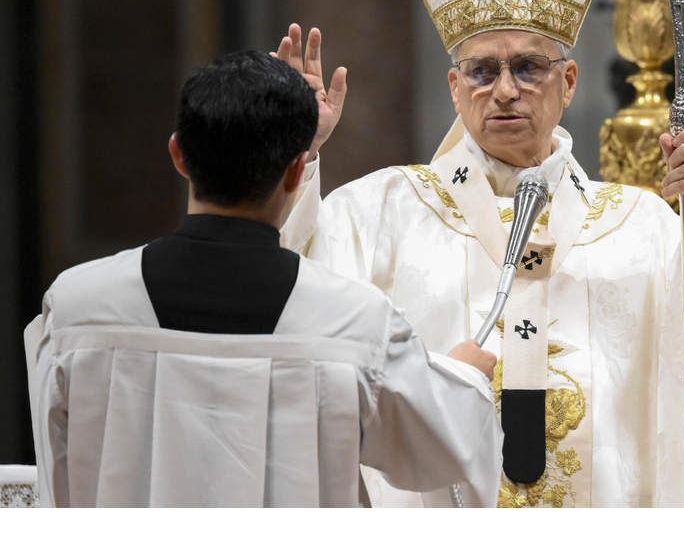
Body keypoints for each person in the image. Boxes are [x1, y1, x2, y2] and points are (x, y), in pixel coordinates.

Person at [278, 0, 684, 507]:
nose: (506, 89)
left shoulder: (643, 227)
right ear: (455, 91)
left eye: (529, 67)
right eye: (482, 71)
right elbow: (291, 311)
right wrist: (293, 157)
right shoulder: (382, 214)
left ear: (568, 84)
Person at [26, 51, 502, 507]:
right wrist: (461, 376)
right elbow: (442, 449)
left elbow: (59, 481)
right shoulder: (356, 325)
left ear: (178, 155)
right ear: (299, 170)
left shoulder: (75, 310)